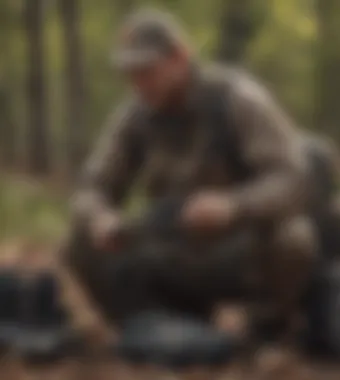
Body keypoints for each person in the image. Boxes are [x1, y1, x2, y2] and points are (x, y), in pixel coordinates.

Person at [61, 8, 320, 344]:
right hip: (172, 249)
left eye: (148, 71)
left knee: (293, 238)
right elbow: (90, 187)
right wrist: (100, 218)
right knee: (81, 243)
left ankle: (266, 326)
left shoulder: (237, 99)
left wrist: (233, 206)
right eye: (131, 74)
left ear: (180, 58)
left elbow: (294, 177)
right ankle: (160, 326)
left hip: (238, 248)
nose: (139, 83)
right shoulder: (135, 116)